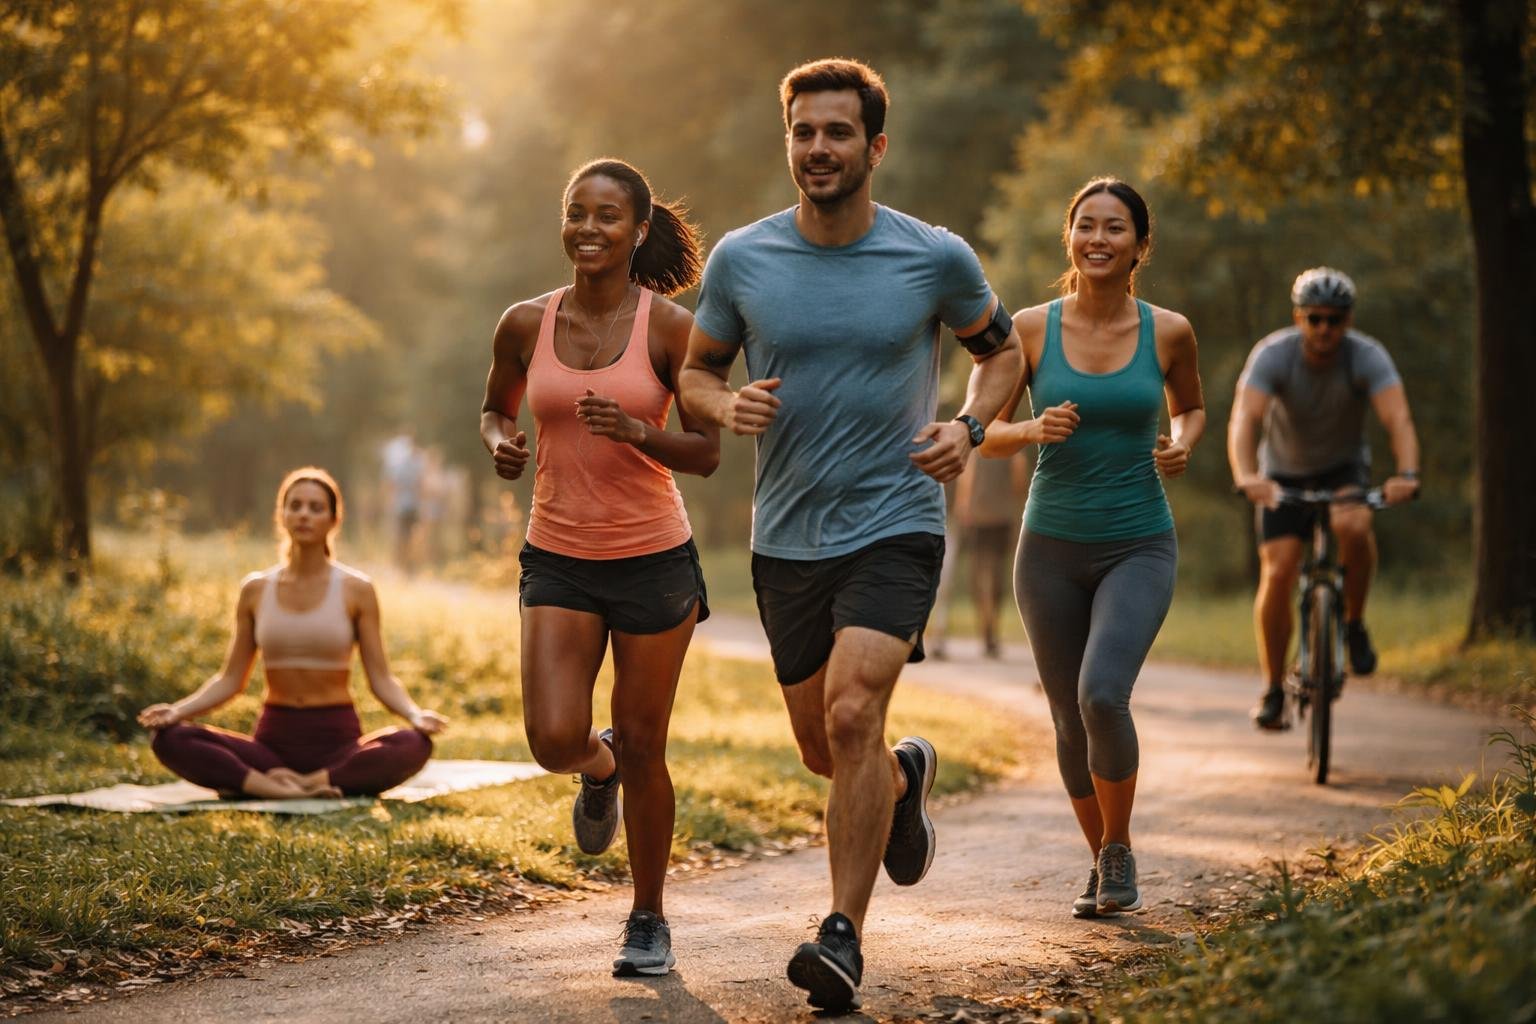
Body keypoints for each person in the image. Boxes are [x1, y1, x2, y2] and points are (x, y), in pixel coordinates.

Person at [678, 58, 1022, 1012]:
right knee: (827, 751)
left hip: (895, 520)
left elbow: (1004, 352)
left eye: (836, 133)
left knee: (852, 712)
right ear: (786, 141)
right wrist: (722, 398)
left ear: (875, 146)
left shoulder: (934, 258)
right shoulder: (744, 260)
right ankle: (904, 785)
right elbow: (696, 374)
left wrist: (969, 427)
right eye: (802, 132)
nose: (817, 149)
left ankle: (843, 935)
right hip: (786, 534)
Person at [479, 158, 718, 979]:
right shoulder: (522, 323)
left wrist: (638, 431)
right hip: (559, 555)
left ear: (638, 230)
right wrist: (500, 443)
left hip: (653, 560)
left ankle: (648, 916)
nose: (588, 228)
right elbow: (492, 407)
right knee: (551, 738)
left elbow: (709, 452)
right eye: (576, 212)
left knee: (651, 745)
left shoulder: (670, 330)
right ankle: (596, 764)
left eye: (608, 216)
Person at [980, 178, 1204, 920]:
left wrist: (1182, 442)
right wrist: (1031, 431)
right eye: (1086, 225)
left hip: (1138, 541)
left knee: (1102, 694)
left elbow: (1193, 407)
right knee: (1068, 719)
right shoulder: (1031, 328)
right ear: (1068, 236)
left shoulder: (1168, 331)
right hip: (1048, 550)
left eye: (1115, 228)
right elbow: (983, 432)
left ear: (1141, 245)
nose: (1098, 239)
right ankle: (1105, 861)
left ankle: (1118, 848)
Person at [139, 468, 446, 799]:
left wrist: (415, 714)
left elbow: (381, 679)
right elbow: (230, 679)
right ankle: (282, 789)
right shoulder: (255, 589)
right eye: (295, 505)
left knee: (413, 743)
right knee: (171, 738)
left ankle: (307, 782)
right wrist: (178, 711)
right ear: (282, 515)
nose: (304, 514)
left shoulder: (356, 590)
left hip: (337, 743)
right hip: (272, 746)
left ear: (333, 520)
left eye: (316, 508)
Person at [1228, 267, 1421, 730]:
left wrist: (1407, 474)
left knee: (1353, 526)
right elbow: (1244, 419)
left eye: (1334, 320)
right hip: (1281, 473)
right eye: (1315, 318)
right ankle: (1274, 687)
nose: (1324, 329)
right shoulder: (1273, 355)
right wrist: (1246, 476)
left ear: (1348, 321)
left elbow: (1398, 419)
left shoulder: (1366, 356)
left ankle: (1353, 624)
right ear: (1299, 317)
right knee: (1279, 568)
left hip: (1343, 469)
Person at [954, 451, 1029, 658]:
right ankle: (991, 629)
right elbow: (1019, 484)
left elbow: (966, 483)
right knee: (995, 575)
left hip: (979, 519)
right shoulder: (1014, 453)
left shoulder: (976, 452)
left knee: (980, 576)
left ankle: (987, 628)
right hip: (1000, 519)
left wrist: (963, 508)